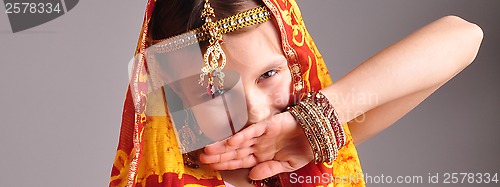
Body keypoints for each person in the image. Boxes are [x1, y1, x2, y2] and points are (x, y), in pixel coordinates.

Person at [109, 0, 483, 186]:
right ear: (171, 93)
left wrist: (319, 117)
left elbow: (463, 36)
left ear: (297, 58)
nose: (255, 112)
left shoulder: (309, 152)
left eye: (269, 74)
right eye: (213, 90)